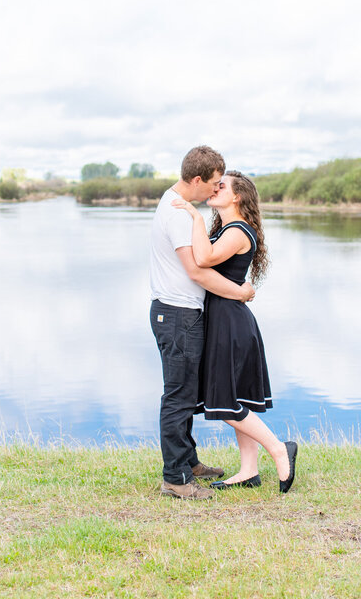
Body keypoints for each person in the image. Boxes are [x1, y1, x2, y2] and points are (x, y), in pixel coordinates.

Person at [173, 170, 298, 493]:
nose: (215, 189)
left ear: (237, 197)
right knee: (237, 396)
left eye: (222, 186)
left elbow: (204, 258)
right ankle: (248, 471)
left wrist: (193, 216)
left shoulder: (239, 230)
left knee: (226, 401)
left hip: (230, 321)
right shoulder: (227, 228)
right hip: (224, 318)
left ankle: (280, 449)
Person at [151, 145, 256, 500]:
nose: (215, 189)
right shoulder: (180, 214)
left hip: (181, 313)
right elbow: (198, 270)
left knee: (185, 395)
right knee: (178, 397)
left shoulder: (176, 204)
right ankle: (176, 479)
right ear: (196, 179)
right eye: (212, 183)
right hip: (177, 314)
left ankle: (188, 462)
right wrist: (239, 292)